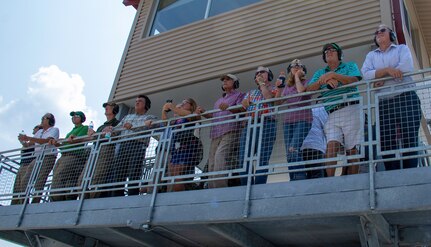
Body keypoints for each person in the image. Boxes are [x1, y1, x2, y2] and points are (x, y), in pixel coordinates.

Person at [361, 24, 421, 170]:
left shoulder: (402, 48)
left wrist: (381, 75)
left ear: (391, 35)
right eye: (376, 32)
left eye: (382, 30)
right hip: (384, 103)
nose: (378, 33)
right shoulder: (371, 55)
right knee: (386, 141)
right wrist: (389, 70)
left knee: (410, 138)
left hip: (405, 98)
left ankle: (410, 173)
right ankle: (391, 174)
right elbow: (366, 74)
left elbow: (406, 67)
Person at [307, 43, 363, 176]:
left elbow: (354, 80)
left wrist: (334, 75)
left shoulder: (350, 65)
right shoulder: (320, 73)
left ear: (339, 54)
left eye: (332, 50)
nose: (329, 52)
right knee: (331, 145)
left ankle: (353, 180)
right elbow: (309, 89)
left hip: (351, 107)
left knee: (351, 148)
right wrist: (324, 81)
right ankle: (330, 182)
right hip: (331, 113)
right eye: (326, 51)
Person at [198, 74, 245, 188]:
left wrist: (229, 107)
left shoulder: (240, 95)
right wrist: (203, 112)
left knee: (220, 156)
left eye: (228, 79)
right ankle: (212, 188)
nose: (224, 81)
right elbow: (212, 116)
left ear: (235, 82)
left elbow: (242, 110)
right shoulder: (218, 101)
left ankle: (220, 187)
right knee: (212, 161)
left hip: (231, 130)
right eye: (223, 80)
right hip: (215, 133)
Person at [108, 95, 157, 197]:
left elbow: (149, 128)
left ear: (146, 105)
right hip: (123, 145)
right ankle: (116, 197)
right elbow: (116, 130)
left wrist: (132, 127)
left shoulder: (150, 117)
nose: (137, 102)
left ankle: (132, 197)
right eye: (136, 101)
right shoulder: (127, 117)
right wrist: (110, 130)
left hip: (138, 145)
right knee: (118, 172)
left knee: (134, 172)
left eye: (140, 101)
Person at [239, 66, 277, 185]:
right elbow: (244, 106)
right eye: (257, 73)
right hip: (250, 124)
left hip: (267, 123)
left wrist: (262, 84)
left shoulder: (275, 88)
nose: (259, 74)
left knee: (262, 158)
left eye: (262, 72)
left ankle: (259, 187)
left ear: (269, 75)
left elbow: (269, 98)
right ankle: (246, 186)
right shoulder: (250, 92)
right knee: (244, 158)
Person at [275, 59, 312, 181]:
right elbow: (277, 102)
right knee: (289, 154)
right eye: (293, 67)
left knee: (293, 149)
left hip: (303, 120)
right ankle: (293, 181)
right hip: (288, 122)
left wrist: (296, 77)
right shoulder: (287, 87)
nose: (296, 67)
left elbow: (302, 92)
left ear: (303, 70)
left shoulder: (307, 81)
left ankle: (300, 180)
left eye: (299, 66)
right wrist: (279, 88)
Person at [77, 102, 120, 199]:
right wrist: (78, 139)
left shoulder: (117, 123)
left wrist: (96, 134)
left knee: (97, 178)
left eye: (109, 107)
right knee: (82, 179)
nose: (106, 108)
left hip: (106, 150)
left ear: (114, 110)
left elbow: (111, 136)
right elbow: (93, 138)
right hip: (95, 150)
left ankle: (91, 201)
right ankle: (82, 200)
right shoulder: (102, 126)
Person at [15, 113, 59, 204]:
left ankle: (35, 203)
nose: (42, 119)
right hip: (37, 157)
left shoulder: (54, 130)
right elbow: (29, 144)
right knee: (24, 181)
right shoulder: (39, 132)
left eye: (44, 118)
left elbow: (46, 141)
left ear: (50, 120)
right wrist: (23, 141)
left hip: (48, 157)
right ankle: (24, 203)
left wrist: (28, 138)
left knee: (39, 181)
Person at [162, 98, 203, 192]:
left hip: (188, 145)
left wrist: (172, 107)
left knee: (177, 173)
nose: (182, 104)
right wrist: (164, 110)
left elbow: (189, 115)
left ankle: (178, 196)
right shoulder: (179, 117)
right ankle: (180, 193)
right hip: (177, 146)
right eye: (182, 102)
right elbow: (165, 122)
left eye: (185, 102)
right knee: (173, 172)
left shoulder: (194, 114)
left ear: (192, 106)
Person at [49, 111, 89, 201]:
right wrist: (57, 144)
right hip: (64, 155)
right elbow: (65, 145)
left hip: (73, 155)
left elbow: (76, 141)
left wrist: (71, 139)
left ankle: (56, 200)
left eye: (77, 116)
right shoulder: (71, 131)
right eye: (73, 116)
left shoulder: (84, 128)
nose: (74, 117)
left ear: (82, 118)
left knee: (59, 176)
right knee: (65, 179)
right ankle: (63, 199)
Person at [11, 125, 42, 204]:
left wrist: (22, 141)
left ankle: (22, 204)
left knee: (23, 186)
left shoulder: (38, 138)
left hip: (28, 165)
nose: (33, 129)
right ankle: (15, 205)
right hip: (23, 165)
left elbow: (28, 146)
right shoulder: (33, 139)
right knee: (17, 188)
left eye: (35, 127)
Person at [301, 106, 328, 179]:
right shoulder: (321, 109)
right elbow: (327, 127)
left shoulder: (306, 110)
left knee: (308, 174)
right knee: (317, 174)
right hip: (315, 145)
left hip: (303, 146)